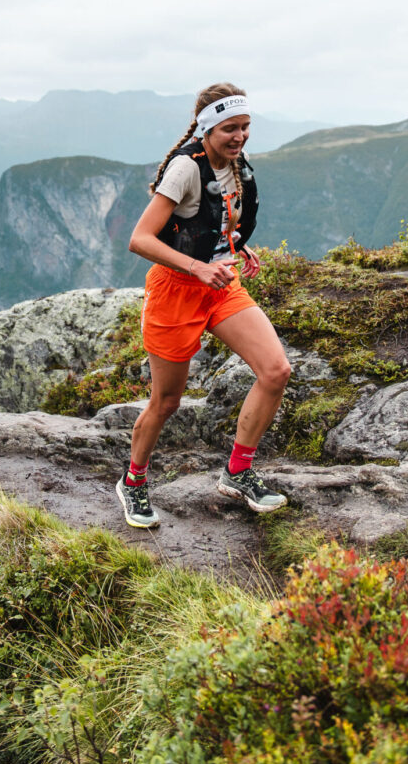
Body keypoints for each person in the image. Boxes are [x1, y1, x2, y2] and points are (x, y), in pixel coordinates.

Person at [116, 82, 292, 529]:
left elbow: (216, 219)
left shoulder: (235, 166)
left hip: (220, 286)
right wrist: (196, 266)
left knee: (276, 371)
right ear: (208, 128)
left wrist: (236, 245)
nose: (240, 137)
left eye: (246, 127)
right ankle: (133, 482)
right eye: (230, 128)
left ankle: (237, 472)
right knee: (168, 401)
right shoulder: (184, 169)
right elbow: (140, 239)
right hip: (177, 291)